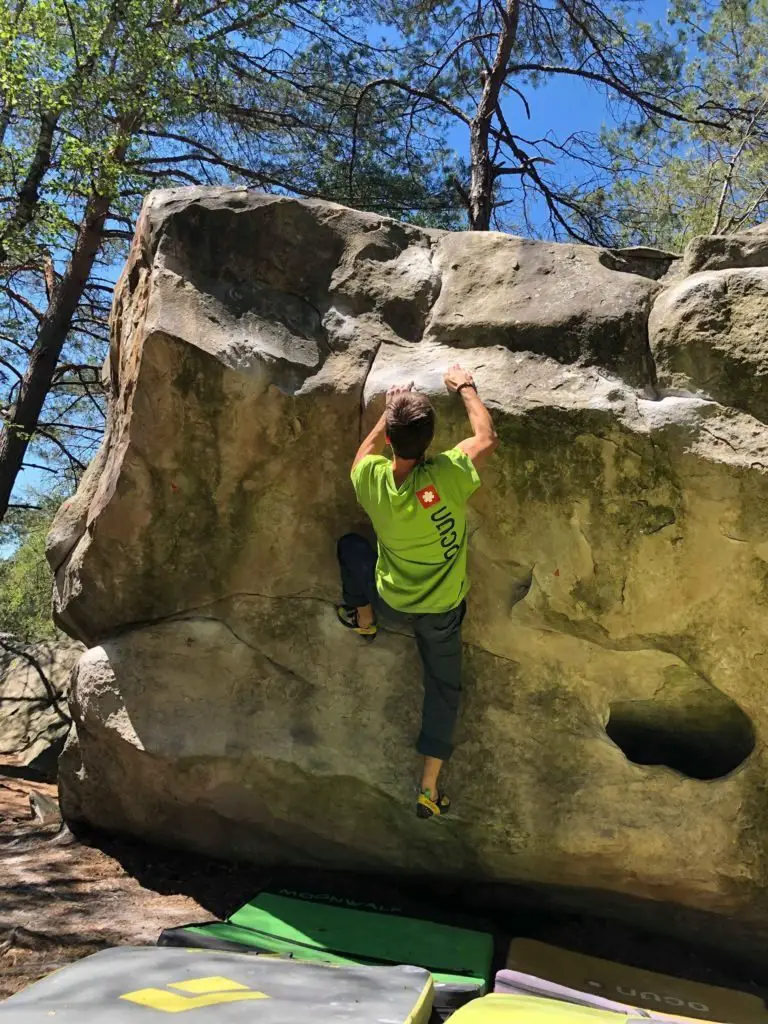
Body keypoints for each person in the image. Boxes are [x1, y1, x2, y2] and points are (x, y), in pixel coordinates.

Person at [336, 363, 498, 819]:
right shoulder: (446, 475)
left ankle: (365, 621)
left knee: (351, 547)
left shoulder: (369, 481)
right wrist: (466, 387)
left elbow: (360, 457)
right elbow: (485, 438)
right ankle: (428, 788)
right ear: (430, 442)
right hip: (441, 610)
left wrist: (386, 415)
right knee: (443, 690)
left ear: (390, 438)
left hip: (393, 595)